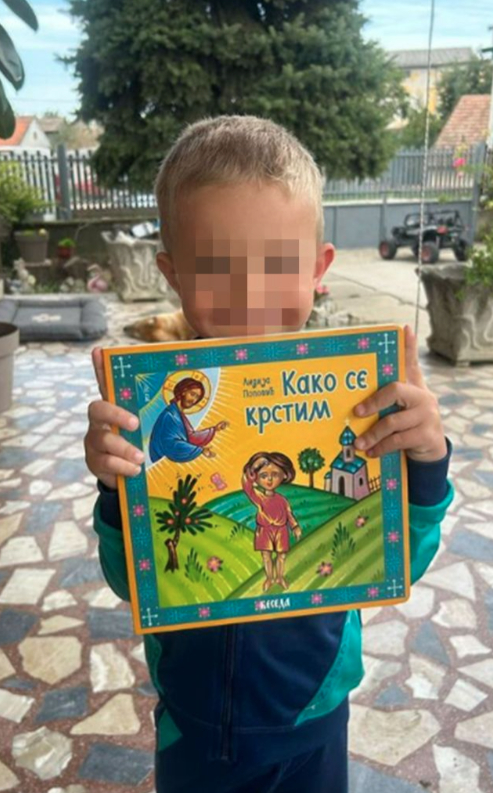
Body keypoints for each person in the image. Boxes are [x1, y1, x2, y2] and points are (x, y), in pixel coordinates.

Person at [84, 115, 454, 793]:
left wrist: (425, 463)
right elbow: (128, 580)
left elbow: (402, 558)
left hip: (313, 716)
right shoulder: (152, 410)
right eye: (216, 267)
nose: (250, 294)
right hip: (191, 718)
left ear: (317, 270)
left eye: (278, 265)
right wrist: (116, 489)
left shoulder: (358, 397)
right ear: (172, 273)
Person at [242, 451, 302, 592]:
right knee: (266, 555)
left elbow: (289, 514)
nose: (269, 479)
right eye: (263, 476)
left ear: (284, 475)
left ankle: (280, 577)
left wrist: (295, 526)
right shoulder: (259, 497)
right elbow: (247, 488)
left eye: (274, 475)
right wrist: (249, 475)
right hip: (265, 529)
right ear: (256, 478)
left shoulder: (282, 500)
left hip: (281, 530)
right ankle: (269, 578)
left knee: (281, 555)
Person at [149, 376, 228, 463]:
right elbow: (171, 445)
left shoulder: (179, 414)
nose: (194, 400)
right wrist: (200, 450)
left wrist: (215, 429)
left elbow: (191, 437)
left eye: (197, 398)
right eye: (192, 394)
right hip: (160, 460)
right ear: (183, 391)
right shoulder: (170, 415)